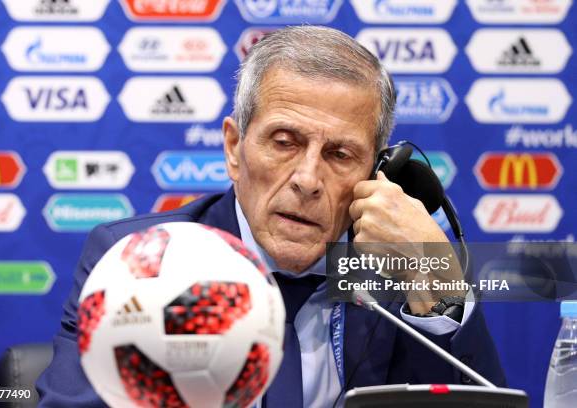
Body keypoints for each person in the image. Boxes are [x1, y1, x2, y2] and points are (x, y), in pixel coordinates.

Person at [37, 26, 505, 407]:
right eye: (284, 142)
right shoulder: (137, 262)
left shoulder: (394, 277)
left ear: (378, 174)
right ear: (234, 148)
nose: (307, 179)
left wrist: (437, 279)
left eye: (340, 154)